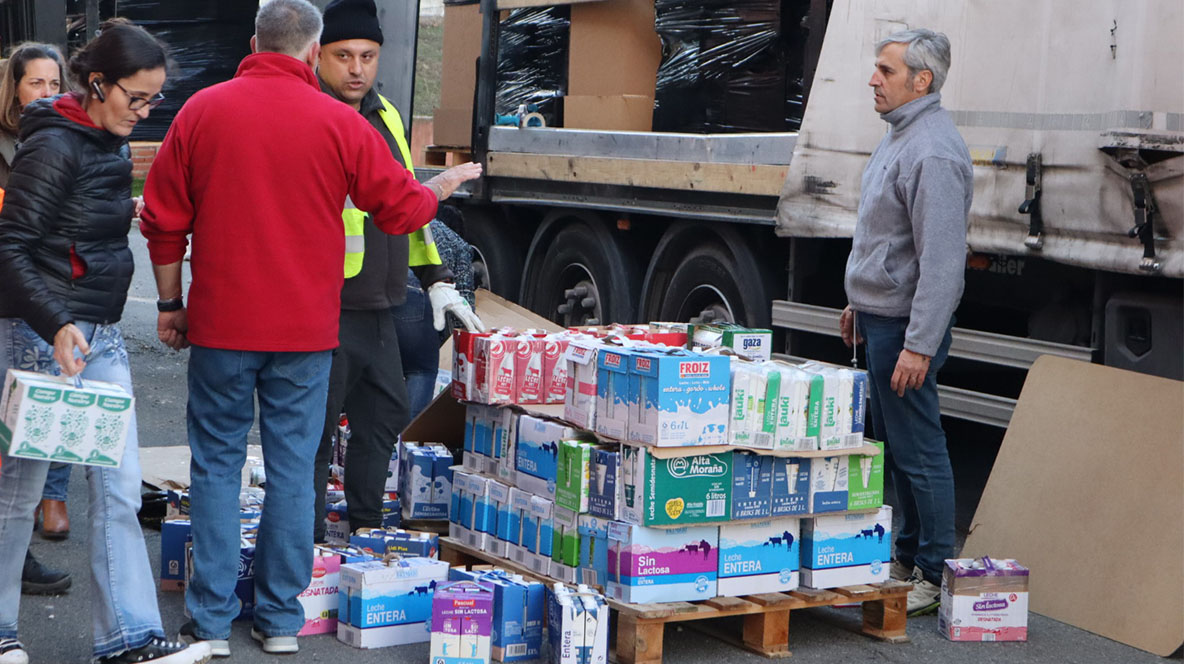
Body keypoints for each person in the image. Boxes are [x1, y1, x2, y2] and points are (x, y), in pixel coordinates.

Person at [139, 0, 480, 657]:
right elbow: (402, 206)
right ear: (312, 51)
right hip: (306, 332)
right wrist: (441, 185)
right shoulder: (340, 122)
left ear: (253, 42)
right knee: (295, 470)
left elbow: (161, 218)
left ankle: (208, 624)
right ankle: (279, 621)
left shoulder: (203, 111)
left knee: (216, 467)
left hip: (220, 325)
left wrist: (169, 302)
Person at [0, 20, 212, 664]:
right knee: (18, 495)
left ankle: (129, 639)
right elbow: (9, 248)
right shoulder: (54, 148)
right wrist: (56, 322)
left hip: (101, 340)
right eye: (137, 98)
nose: (146, 112)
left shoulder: (109, 141)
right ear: (98, 85)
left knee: (118, 488)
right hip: (44, 341)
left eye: (155, 100)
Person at [310, 0, 484, 544]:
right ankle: (307, 543)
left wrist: (434, 277)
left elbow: (409, 205)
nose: (356, 68)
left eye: (367, 55)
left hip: (381, 300)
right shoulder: (311, 113)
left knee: (383, 416)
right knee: (314, 432)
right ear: (318, 55)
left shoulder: (385, 115)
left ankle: (362, 529)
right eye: (343, 56)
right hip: (325, 304)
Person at [838, 28, 972, 616]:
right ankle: (909, 555)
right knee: (897, 448)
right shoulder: (899, 136)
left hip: (905, 331)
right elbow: (886, 237)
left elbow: (942, 263)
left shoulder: (933, 151)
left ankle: (935, 570)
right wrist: (858, 301)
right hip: (882, 319)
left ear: (922, 81)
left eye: (885, 71)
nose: (873, 79)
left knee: (919, 449)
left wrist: (918, 344)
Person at [0, 42, 76, 598]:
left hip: (48, 304)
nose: (47, 94)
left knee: (33, 431)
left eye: (55, 84)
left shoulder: (65, 141)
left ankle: (19, 550)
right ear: (14, 90)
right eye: (36, 84)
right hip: (9, 303)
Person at [393, 210, 478, 418]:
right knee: (420, 369)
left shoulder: (411, 220)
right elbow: (461, 311)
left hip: (389, 289)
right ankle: (407, 437)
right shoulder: (458, 246)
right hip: (420, 301)